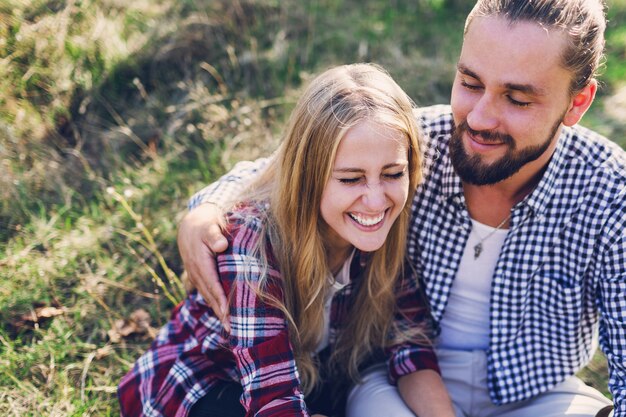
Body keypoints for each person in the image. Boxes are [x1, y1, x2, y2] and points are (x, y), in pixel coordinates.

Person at [177, 1, 626, 416]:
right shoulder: (413, 144)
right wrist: (206, 209)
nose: (480, 118)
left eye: (518, 99)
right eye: (470, 83)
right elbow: (285, 169)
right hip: (395, 381)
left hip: (537, 394)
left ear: (577, 102)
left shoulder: (610, 193)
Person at [118, 63, 456, 417]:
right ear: (308, 177)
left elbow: (409, 350)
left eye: (393, 173)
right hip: (210, 385)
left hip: (309, 380)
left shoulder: (388, 229)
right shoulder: (252, 240)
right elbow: (272, 398)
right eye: (350, 179)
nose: (375, 200)